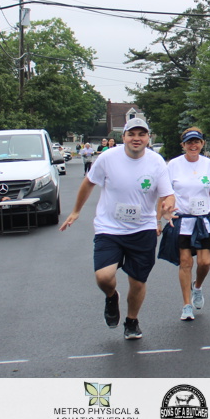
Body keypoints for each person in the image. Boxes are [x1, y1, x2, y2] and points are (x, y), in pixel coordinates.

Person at [59, 118, 174, 340]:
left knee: (137, 281)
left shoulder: (157, 162)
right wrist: (76, 211)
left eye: (142, 134)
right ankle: (112, 296)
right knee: (104, 277)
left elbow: (167, 193)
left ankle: (131, 321)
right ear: (123, 137)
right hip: (109, 228)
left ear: (148, 138)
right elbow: (89, 182)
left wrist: (168, 206)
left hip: (142, 229)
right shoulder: (108, 158)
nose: (136, 139)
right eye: (132, 134)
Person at [159, 127, 210, 321]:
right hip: (182, 219)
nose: (193, 145)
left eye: (196, 142)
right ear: (183, 145)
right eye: (189, 142)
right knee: (185, 262)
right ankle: (186, 305)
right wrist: (161, 215)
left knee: (204, 262)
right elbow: (164, 193)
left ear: (202, 144)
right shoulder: (173, 165)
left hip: (203, 219)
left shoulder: (207, 164)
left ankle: (197, 287)